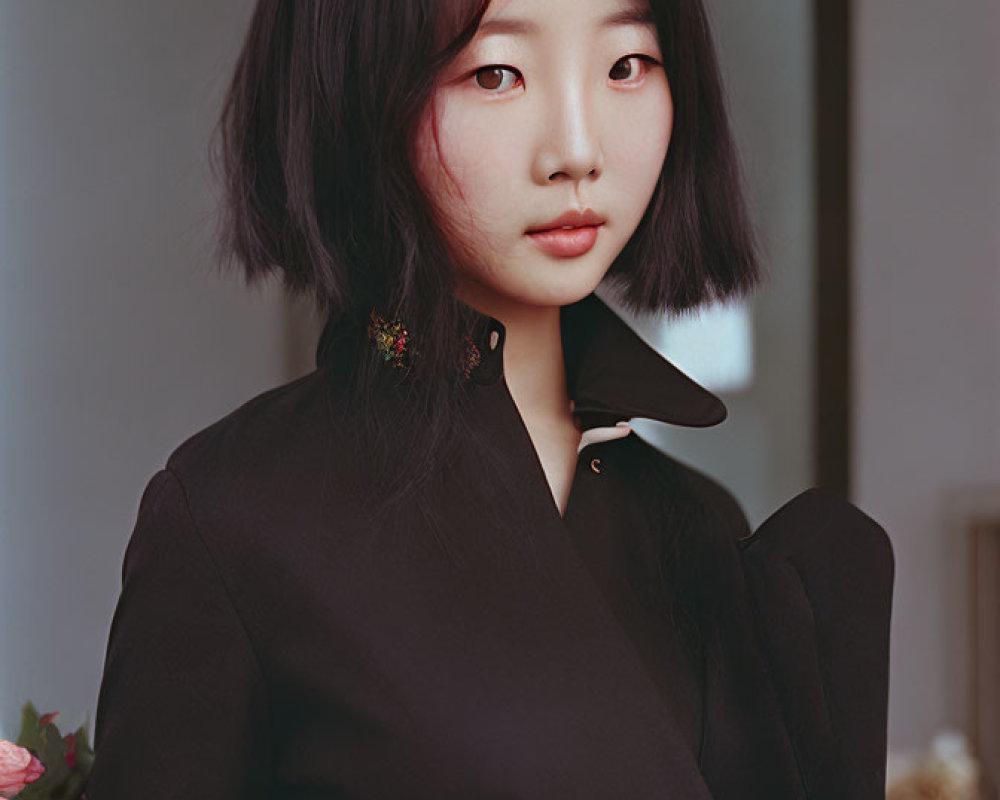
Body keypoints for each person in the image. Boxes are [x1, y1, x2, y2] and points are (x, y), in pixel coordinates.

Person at [86, 0, 895, 797]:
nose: (577, 152)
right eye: (496, 73)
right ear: (354, 93)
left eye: (626, 66)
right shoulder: (233, 518)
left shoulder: (702, 524)